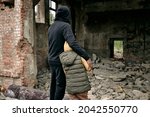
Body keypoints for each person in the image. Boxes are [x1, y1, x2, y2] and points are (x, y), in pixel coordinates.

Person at [48, 5, 93, 100]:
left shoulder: (51, 26)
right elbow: (72, 43)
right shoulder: (65, 26)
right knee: (60, 85)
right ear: (66, 15)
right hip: (60, 60)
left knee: (54, 84)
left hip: (51, 59)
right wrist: (86, 57)